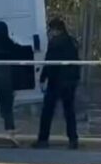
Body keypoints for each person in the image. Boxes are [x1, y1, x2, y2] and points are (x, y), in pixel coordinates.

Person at [34, 18, 80, 150]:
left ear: (56, 30)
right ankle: (73, 139)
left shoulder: (55, 43)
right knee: (69, 112)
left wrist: (43, 78)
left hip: (56, 81)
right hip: (70, 81)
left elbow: (49, 62)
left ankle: (43, 139)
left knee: (47, 112)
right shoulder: (72, 42)